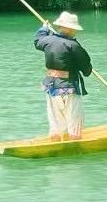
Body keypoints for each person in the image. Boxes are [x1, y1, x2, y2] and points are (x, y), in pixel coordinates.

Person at [34, 11, 92, 141]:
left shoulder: (47, 40)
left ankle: (54, 143)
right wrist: (87, 68)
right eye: (74, 29)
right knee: (75, 121)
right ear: (70, 29)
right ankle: (75, 145)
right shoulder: (74, 46)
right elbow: (87, 70)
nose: (75, 31)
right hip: (69, 88)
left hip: (50, 87)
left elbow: (37, 41)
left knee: (55, 123)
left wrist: (44, 28)